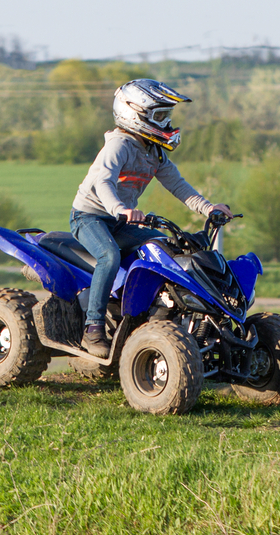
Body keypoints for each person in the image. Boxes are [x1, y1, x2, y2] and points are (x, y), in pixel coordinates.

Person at [69, 79, 232, 358]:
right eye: (159, 116)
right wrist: (120, 208)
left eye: (167, 115)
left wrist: (208, 208)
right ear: (134, 113)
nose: (166, 122)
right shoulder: (119, 145)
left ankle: (149, 315)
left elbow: (178, 186)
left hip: (121, 220)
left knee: (165, 246)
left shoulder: (153, 151)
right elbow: (103, 184)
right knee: (109, 256)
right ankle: (93, 328)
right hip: (91, 217)